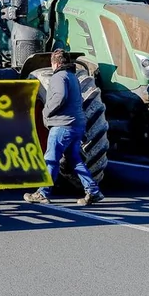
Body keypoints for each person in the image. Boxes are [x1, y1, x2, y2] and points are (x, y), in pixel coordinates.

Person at [24, 48, 104, 206]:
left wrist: (46, 111)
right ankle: (93, 191)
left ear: (54, 63)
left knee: (51, 159)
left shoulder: (58, 76)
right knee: (75, 159)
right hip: (76, 125)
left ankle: (42, 193)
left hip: (62, 125)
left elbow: (60, 96)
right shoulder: (73, 77)